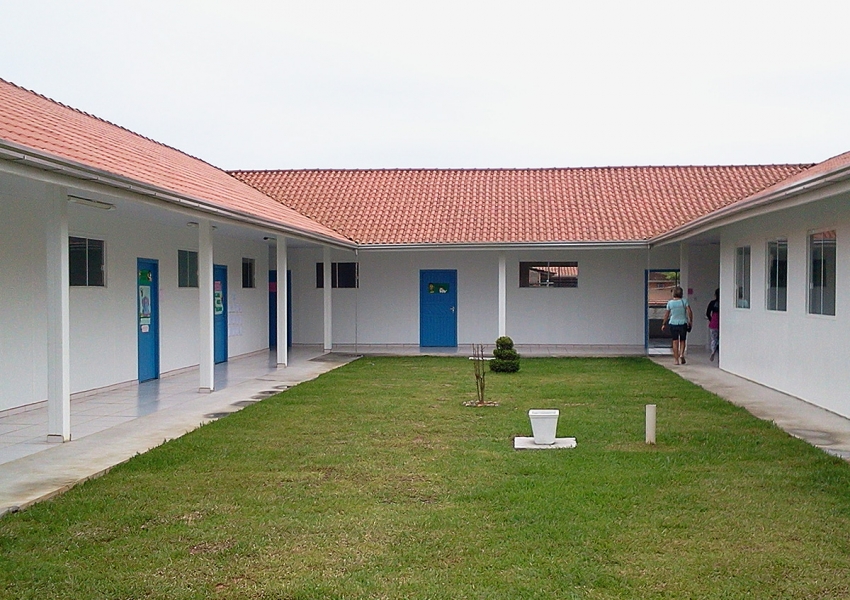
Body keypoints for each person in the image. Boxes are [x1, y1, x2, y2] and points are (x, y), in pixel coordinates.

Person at [661, 286, 693, 365]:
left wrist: (664, 323)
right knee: (682, 340)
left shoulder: (670, 303)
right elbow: (689, 311)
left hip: (673, 323)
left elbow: (667, 314)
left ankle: (676, 360)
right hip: (683, 323)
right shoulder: (684, 301)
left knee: (675, 341)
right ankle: (682, 354)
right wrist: (690, 321)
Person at [706, 288, 720, 362]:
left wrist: (711, 320)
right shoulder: (723, 303)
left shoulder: (712, 303)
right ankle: (719, 350)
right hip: (721, 323)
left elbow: (707, 313)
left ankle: (713, 351)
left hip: (713, 322)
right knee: (720, 339)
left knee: (713, 339)